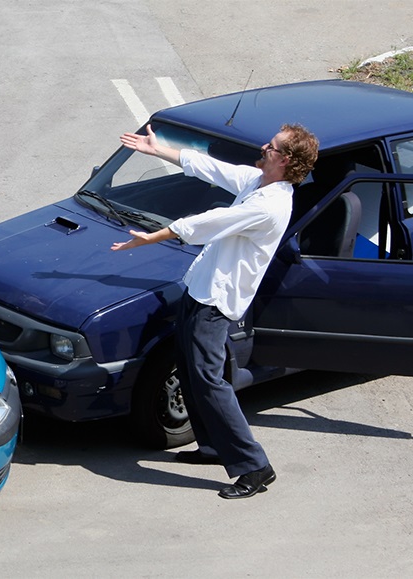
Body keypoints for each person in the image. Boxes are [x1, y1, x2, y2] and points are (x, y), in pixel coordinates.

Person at [112, 123, 318, 499]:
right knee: (192, 372)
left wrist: (153, 237)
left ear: (284, 159)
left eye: (270, 145)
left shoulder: (269, 205)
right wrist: (157, 150)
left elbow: (210, 222)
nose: (262, 145)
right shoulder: (258, 181)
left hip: (216, 302)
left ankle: (255, 466)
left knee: (208, 381)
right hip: (201, 289)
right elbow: (209, 166)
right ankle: (211, 447)